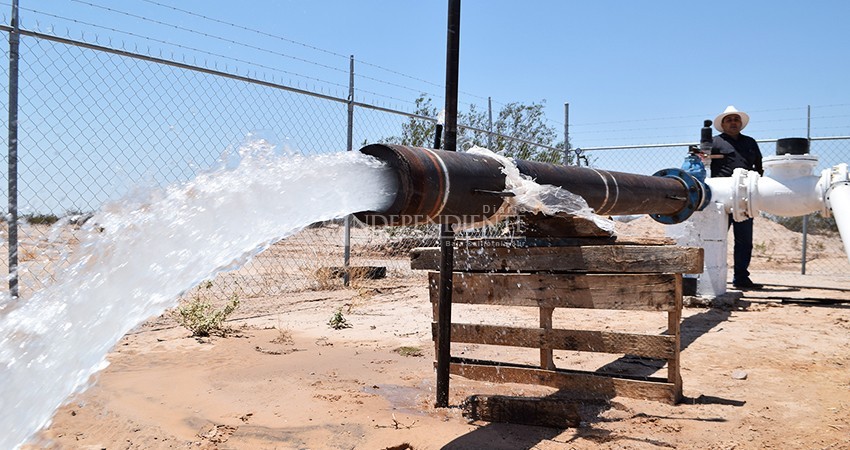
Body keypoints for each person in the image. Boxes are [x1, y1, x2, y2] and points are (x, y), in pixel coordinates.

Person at [710, 105, 764, 290]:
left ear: (741, 123)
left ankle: (741, 278)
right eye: (729, 120)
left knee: (744, 241)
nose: (733, 122)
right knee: (714, 238)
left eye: (736, 119)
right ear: (723, 124)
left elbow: (759, 168)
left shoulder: (750, 143)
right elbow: (701, 162)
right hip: (720, 197)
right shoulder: (714, 143)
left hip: (744, 198)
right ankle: (707, 277)